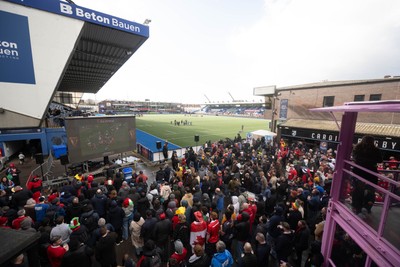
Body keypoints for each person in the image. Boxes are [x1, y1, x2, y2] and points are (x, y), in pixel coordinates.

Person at [351, 135, 383, 216]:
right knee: (370, 190)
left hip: (358, 171)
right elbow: (380, 160)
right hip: (370, 173)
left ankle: (357, 207)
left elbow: (354, 158)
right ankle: (367, 206)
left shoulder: (357, 148)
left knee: (357, 190)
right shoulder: (375, 150)